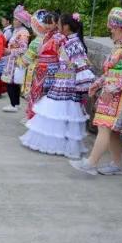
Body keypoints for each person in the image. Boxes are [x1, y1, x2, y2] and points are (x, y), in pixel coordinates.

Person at [71, 8, 122, 176]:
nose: (111, 30)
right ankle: (117, 164)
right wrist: (97, 84)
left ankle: (91, 162)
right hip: (111, 93)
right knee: (111, 131)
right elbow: (110, 73)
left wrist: (114, 87)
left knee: (104, 127)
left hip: (118, 95)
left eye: (114, 27)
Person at [21, 12, 94, 157]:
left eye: (60, 23)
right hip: (62, 81)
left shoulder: (74, 43)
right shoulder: (69, 41)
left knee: (61, 112)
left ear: (66, 26)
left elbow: (81, 66)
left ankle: (62, 145)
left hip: (67, 83)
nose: (57, 26)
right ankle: (61, 144)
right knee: (60, 113)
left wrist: (69, 73)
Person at [24, 12, 64, 121]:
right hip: (41, 69)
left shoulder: (59, 37)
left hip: (52, 70)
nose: (46, 25)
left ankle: (42, 120)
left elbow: (62, 57)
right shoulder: (46, 35)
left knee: (45, 95)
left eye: (49, 23)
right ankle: (36, 118)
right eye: (45, 23)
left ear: (56, 23)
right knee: (38, 93)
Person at [0, 6, 32, 113]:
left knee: (12, 83)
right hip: (11, 60)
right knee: (11, 82)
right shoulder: (17, 31)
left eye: (16, 19)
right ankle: (14, 104)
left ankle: (14, 104)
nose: (14, 21)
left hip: (16, 60)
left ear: (21, 21)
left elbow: (23, 48)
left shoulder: (23, 32)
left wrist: (10, 51)